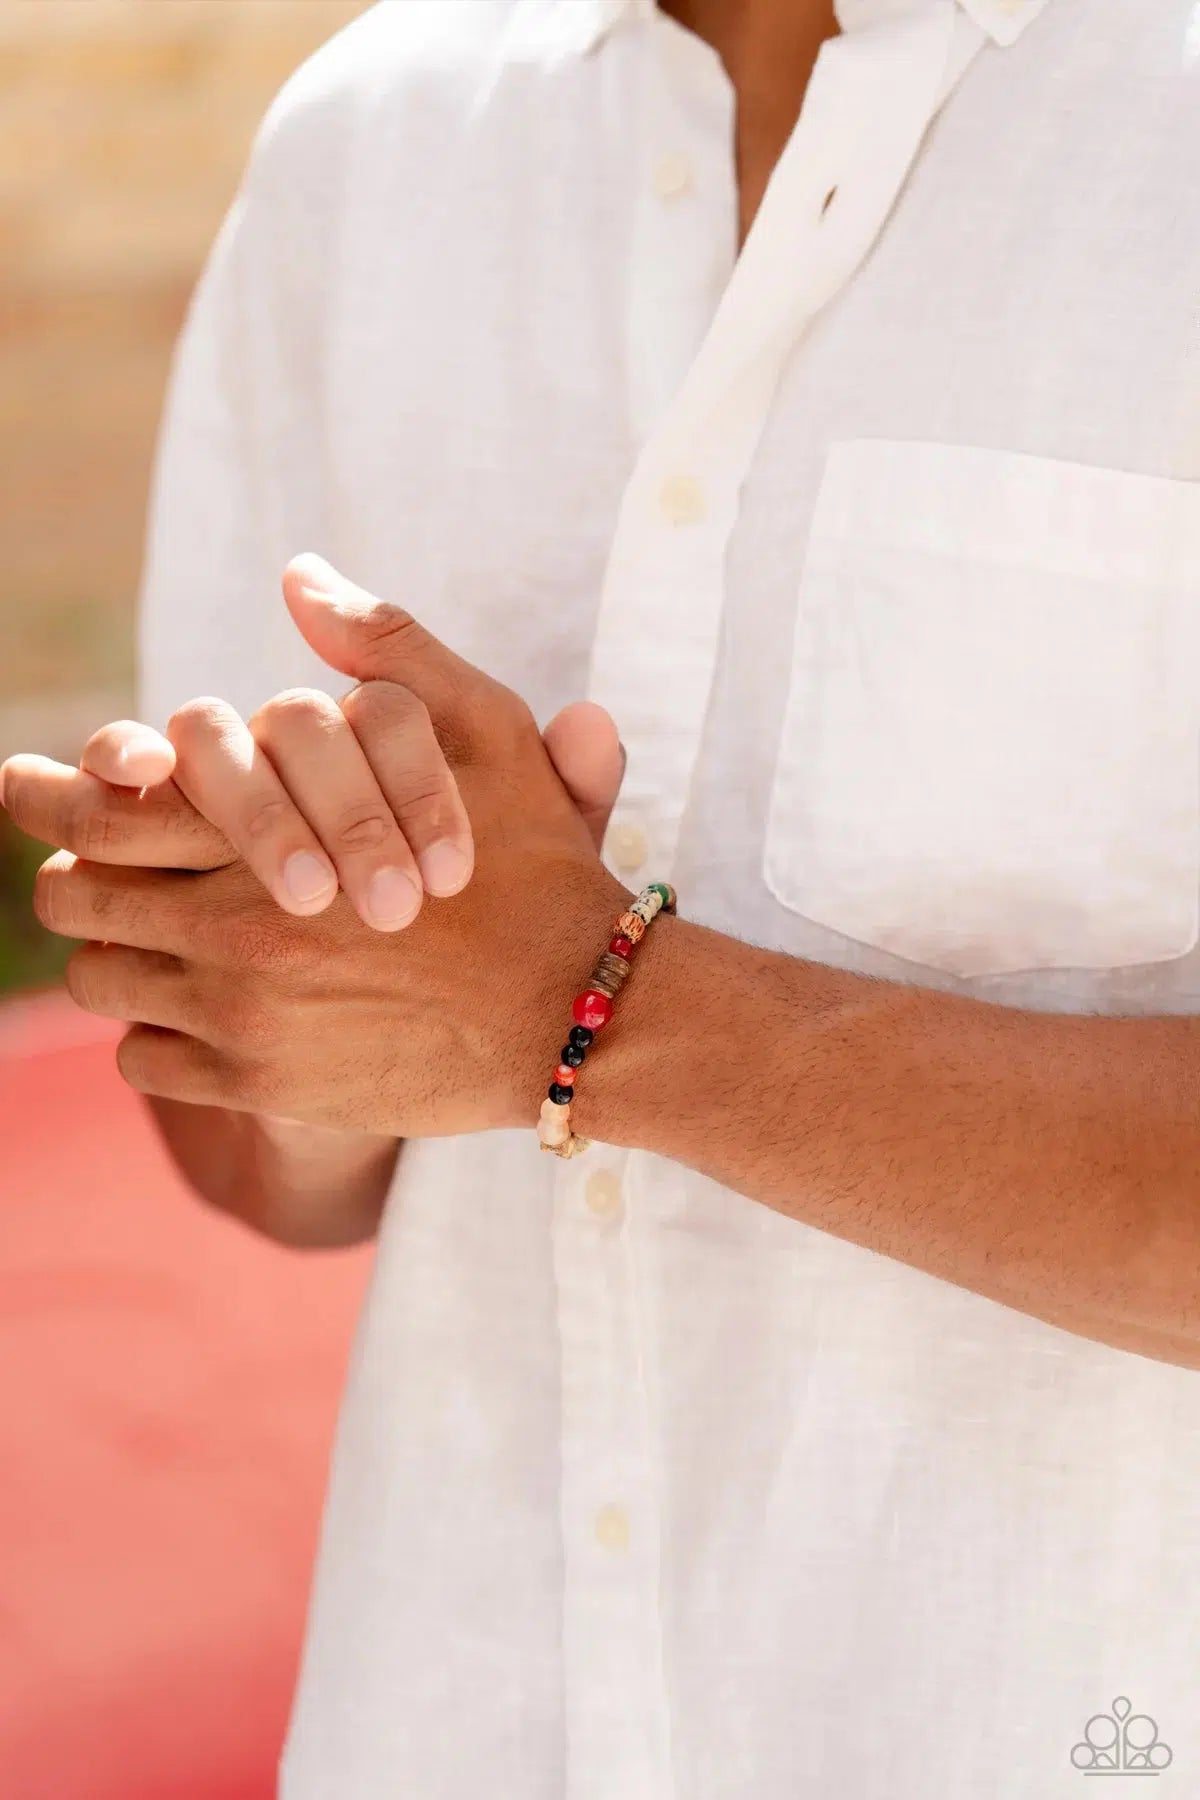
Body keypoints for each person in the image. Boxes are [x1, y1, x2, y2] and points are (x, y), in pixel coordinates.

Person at [4, 0, 1200, 1792]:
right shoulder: (376, 139)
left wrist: (588, 1010)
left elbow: (527, 1010)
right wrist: (297, 971)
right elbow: (264, 1163)